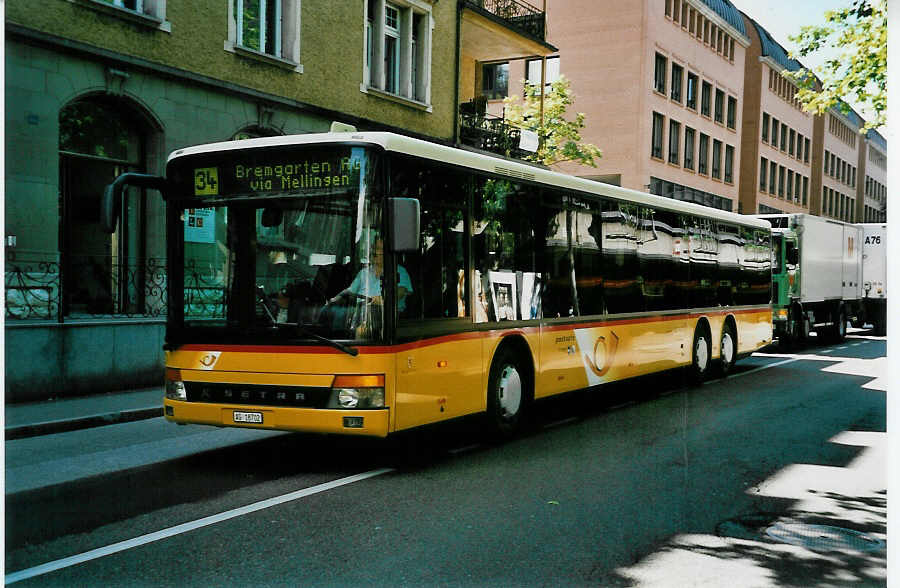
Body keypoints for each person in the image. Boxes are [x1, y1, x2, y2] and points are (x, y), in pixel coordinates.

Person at [331, 237, 413, 314]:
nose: (376, 252)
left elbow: (400, 292)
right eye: (375, 248)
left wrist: (383, 299)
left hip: (386, 316)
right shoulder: (364, 272)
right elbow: (350, 291)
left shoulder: (399, 271)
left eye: (380, 249)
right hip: (361, 314)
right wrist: (335, 299)